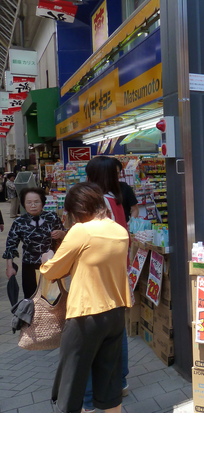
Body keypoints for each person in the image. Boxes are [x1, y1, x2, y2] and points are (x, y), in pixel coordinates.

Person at [40, 182, 131, 413]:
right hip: (116, 313)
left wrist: (46, 260)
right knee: (110, 384)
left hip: (85, 315)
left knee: (71, 384)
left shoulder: (81, 231)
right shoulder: (119, 231)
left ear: (76, 210)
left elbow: (52, 271)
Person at [83, 155, 130, 410]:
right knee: (116, 330)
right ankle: (120, 380)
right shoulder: (116, 200)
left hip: (100, 277)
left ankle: (94, 395)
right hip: (117, 273)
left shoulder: (100, 205)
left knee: (97, 336)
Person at [3, 187, 66, 299]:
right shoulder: (19, 222)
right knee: (31, 299)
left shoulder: (52, 217)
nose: (33, 205)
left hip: (51, 265)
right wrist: (9, 267)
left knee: (53, 298)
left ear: (42, 202)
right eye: (29, 202)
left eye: (36, 202)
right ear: (23, 204)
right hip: (29, 266)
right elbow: (10, 245)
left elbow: (66, 240)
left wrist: (61, 234)